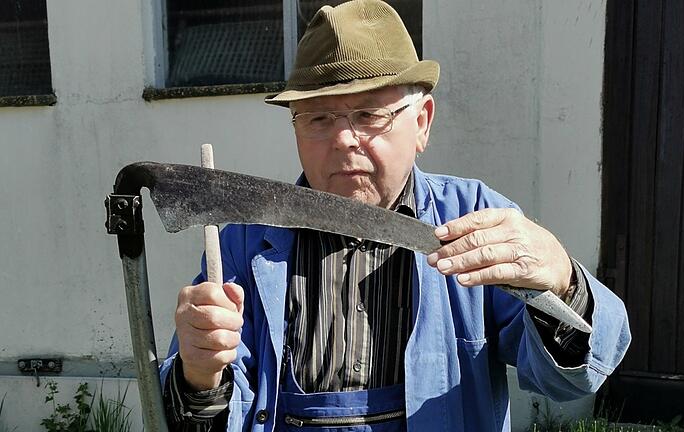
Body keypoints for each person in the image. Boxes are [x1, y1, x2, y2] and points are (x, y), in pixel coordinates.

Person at [160, 0, 631, 430]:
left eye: (367, 115)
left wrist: (563, 280)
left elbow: (573, 381)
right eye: (318, 118)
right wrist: (199, 374)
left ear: (421, 122)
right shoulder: (244, 239)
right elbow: (202, 412)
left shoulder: (475, 219)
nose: (344, 139)